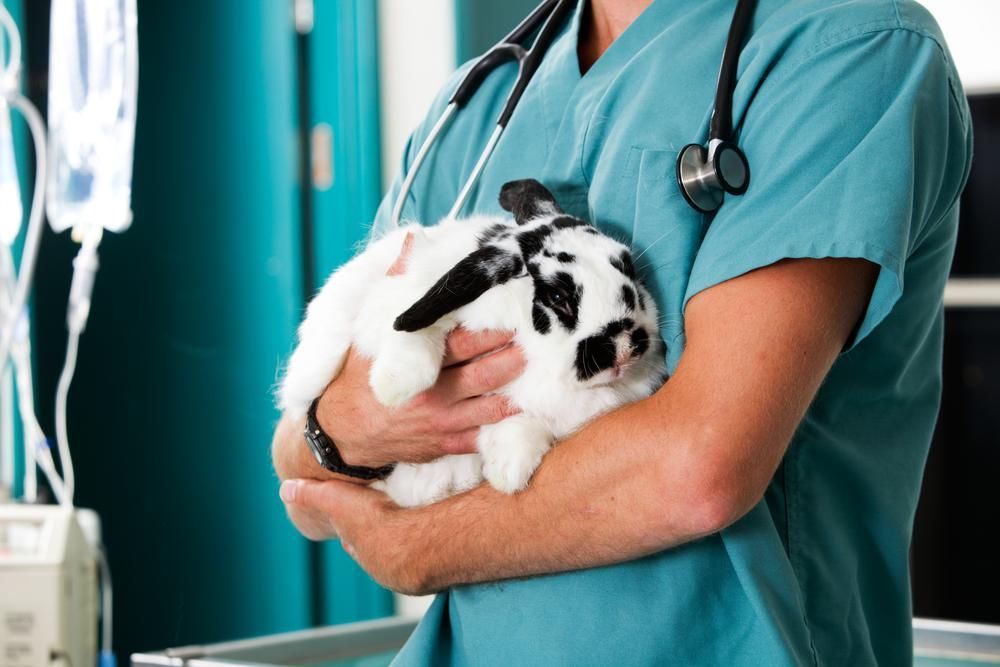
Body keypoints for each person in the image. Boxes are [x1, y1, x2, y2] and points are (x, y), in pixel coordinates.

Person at [271, 0, 973, 664]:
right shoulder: (479, 103)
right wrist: (346, 426)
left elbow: (698, 464)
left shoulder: (846, 49)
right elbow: (298, 476)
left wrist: (415, 546)